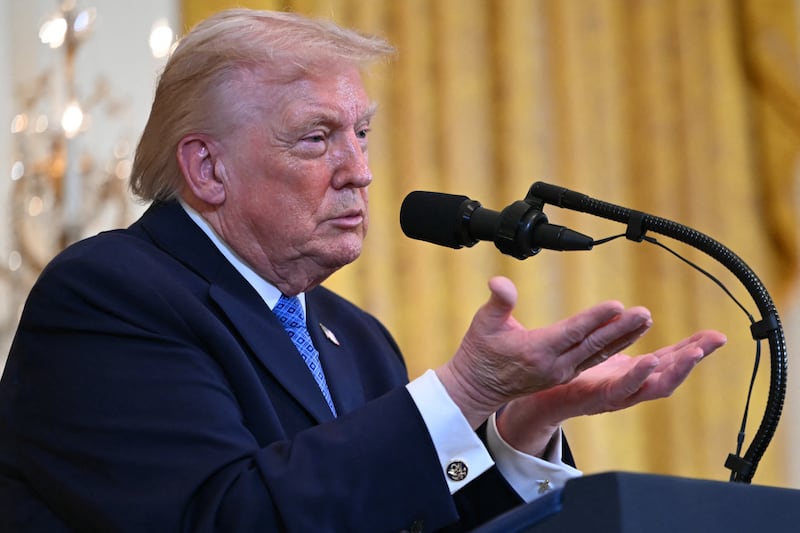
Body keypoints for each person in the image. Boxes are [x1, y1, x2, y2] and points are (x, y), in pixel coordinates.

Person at [0, 8, 726, 532]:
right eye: (317, 137)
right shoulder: (109, 297)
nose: (361, 171)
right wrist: (462, 389)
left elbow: (404, 516)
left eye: (363, 133)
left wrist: (523, 421)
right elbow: (227, 517)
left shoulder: (358, 337)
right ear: (207, 167)